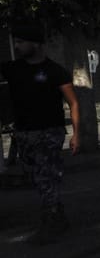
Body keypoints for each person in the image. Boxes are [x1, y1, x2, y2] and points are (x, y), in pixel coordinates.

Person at [0, 24, 81, 244]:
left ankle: (53, 220)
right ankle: (56, 214)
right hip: (24, 134)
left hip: (49, 132)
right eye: (15, 42)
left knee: (47, 177)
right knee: (39, 178)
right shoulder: (13, 69)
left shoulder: (55, 71)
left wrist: (76, 134)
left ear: (35, 43)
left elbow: (73, 102)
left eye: (20, 42)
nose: (16, 46)